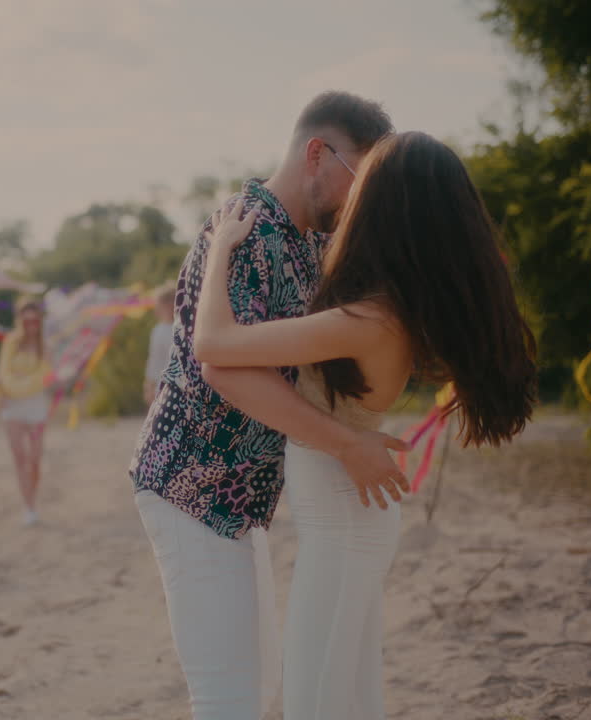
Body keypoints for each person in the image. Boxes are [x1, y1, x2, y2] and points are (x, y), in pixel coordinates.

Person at [194, 131, 538, 719]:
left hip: (344, 521)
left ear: (382, 206)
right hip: (351, 513)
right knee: (345, 694)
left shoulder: (368, 318)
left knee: (317, 696)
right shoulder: (391, 305)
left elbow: (214, 344)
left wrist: (219, 248)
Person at [128, 91, 405, 719]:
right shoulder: (250, 228)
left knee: (254, 694)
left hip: (234, 496)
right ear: (317, 154)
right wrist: (348, 445)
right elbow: (226, 370)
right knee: (230, 698)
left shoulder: (304, 242)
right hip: (190, 486)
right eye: (358, 178)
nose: (358, 198)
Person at [0, 297, 52, 526]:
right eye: (26, 319)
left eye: (34, 319)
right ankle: (29, 507)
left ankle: (32, 497)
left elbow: (43, 378)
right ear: (19, 320)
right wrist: (14, 385)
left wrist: (20, 382)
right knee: (20, 457)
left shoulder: (46, 346)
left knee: (35, 459)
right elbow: (3, 373)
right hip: (12, 408)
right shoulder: (10, 342)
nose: (31, 324)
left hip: (36, 408)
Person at [143, 283, 176, 407]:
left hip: (166, 386)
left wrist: (149, 385)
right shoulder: (160, 330)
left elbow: (154, 361)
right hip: (167, 386)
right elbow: (154, 361)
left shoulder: (160, 330)